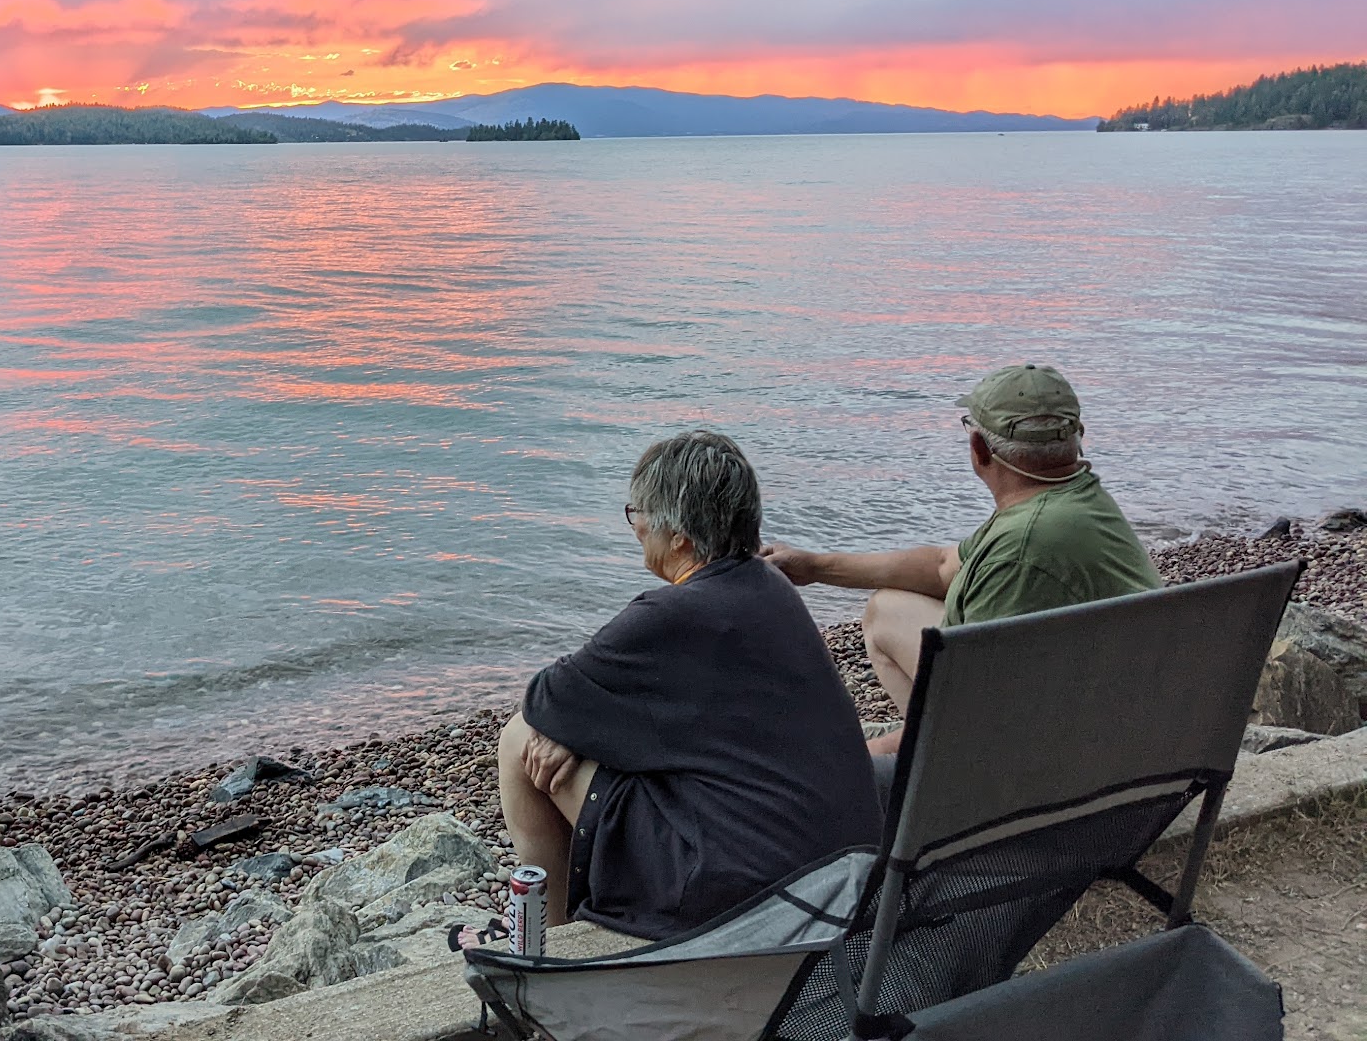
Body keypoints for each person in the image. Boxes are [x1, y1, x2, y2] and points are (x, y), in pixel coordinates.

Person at [497, 431, 881, 941]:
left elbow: (546, 698)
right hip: (837, 877)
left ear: (678, 536)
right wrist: (575, 724)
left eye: (640, 514)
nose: (636, 528)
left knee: (519, 738)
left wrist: (561, 727)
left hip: (747, 895)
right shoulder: (771, 588)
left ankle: (551, 939)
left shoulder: (672, 613)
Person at [761, 364, 1161, 760]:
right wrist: (815, 567)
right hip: (1114, 724)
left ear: (979, 448)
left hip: (1056, 772)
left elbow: (969, 719)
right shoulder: (1077, 503)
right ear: (1076, 439)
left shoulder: (1019, 553)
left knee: (834, 769)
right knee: (886, 608)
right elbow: (941, 567)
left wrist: (854, 759)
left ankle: (922, 757)